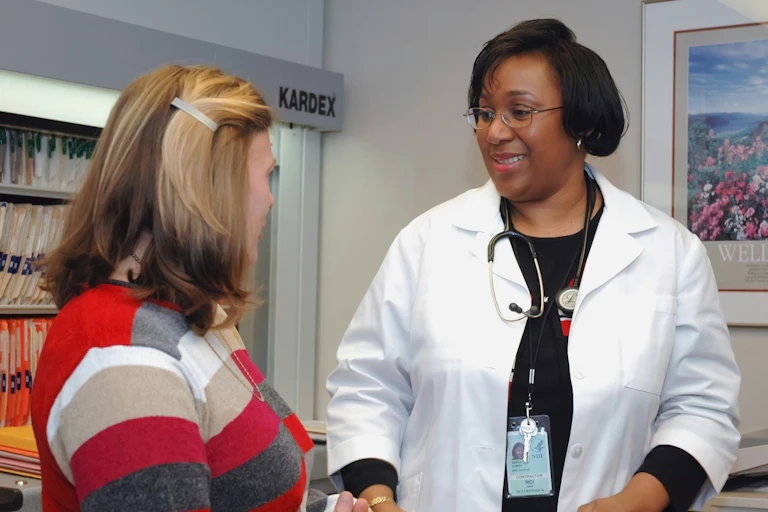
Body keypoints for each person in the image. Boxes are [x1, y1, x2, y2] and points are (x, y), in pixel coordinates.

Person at [325, 19, 740, 512]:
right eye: (483, 113)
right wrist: (378, 499)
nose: (495, 132)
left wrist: (637, 501)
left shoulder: (668, 253)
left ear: (582, 122)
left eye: (519, 112)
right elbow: (366, 389)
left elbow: (702, 409)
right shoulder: (428, 242)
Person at [31, 64, 368, 512]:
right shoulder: (123, 361)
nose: (269, 198)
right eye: (264, 173)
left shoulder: (193, 316)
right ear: (210, 186)